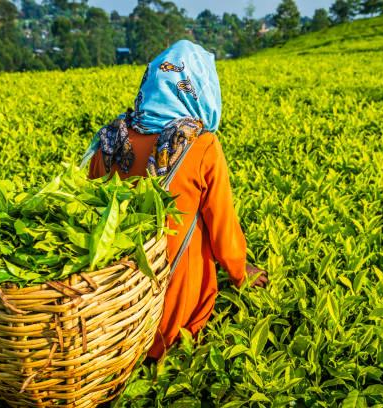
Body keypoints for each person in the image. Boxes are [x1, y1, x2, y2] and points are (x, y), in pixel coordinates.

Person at [83, 40, 268, 360]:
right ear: (197, 88)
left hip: (115, 313)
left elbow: (86, 213)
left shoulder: (110, 139)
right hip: (174, 318)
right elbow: (223, 230)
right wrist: (242, 273)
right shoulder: (202, 145)